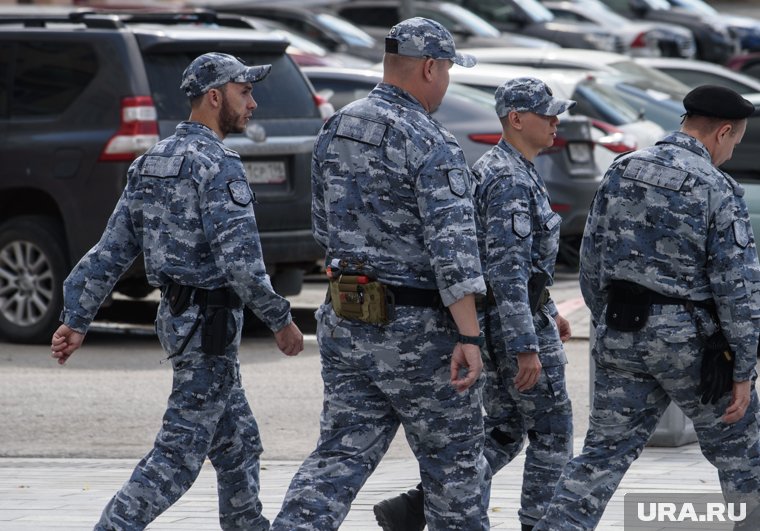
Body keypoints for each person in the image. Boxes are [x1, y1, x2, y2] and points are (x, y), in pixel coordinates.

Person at [50, 52, 304, 531]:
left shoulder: (152, 162)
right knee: (178, 456)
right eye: (244, 92)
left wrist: (77, 316)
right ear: (214, 97)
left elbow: (111, 250)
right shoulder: (218, 165)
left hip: (184, 323)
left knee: (238, 442)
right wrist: (281, 321)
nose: (253, 104)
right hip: (206, 330)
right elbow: (242, 265)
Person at [269, 17, 490, 531]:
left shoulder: (337, 125)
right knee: (455, 471)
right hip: (420, 334)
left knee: (337, 459)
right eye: (449, 70)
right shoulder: (430, 142)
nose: (449, 81)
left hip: (348, 318)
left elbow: (323, 228)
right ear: (430, 68)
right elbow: (452, 252)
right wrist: (469, 336)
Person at [533, 84, 760, 530]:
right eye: (733, 142)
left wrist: (608, 323)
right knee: (744, 451)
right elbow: (737, 289)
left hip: (620, 330)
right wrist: (744, 370)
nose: (731, 153)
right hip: (688, 342)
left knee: (600, 457)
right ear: (723, 132)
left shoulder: (622, 169)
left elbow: (590, 261)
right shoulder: (716, 186)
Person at [374, 77, 576, 531]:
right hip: (512, 326)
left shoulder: (510, 168)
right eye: (548, 114)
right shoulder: (506, 178)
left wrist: (549, 311)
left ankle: (419, 506)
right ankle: (541, 523)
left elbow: (521, 267)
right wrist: (527, 343)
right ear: (517, 119)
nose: (556, 122)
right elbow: (507, 270)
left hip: (508, 319)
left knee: (505, 429)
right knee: (552, 433)